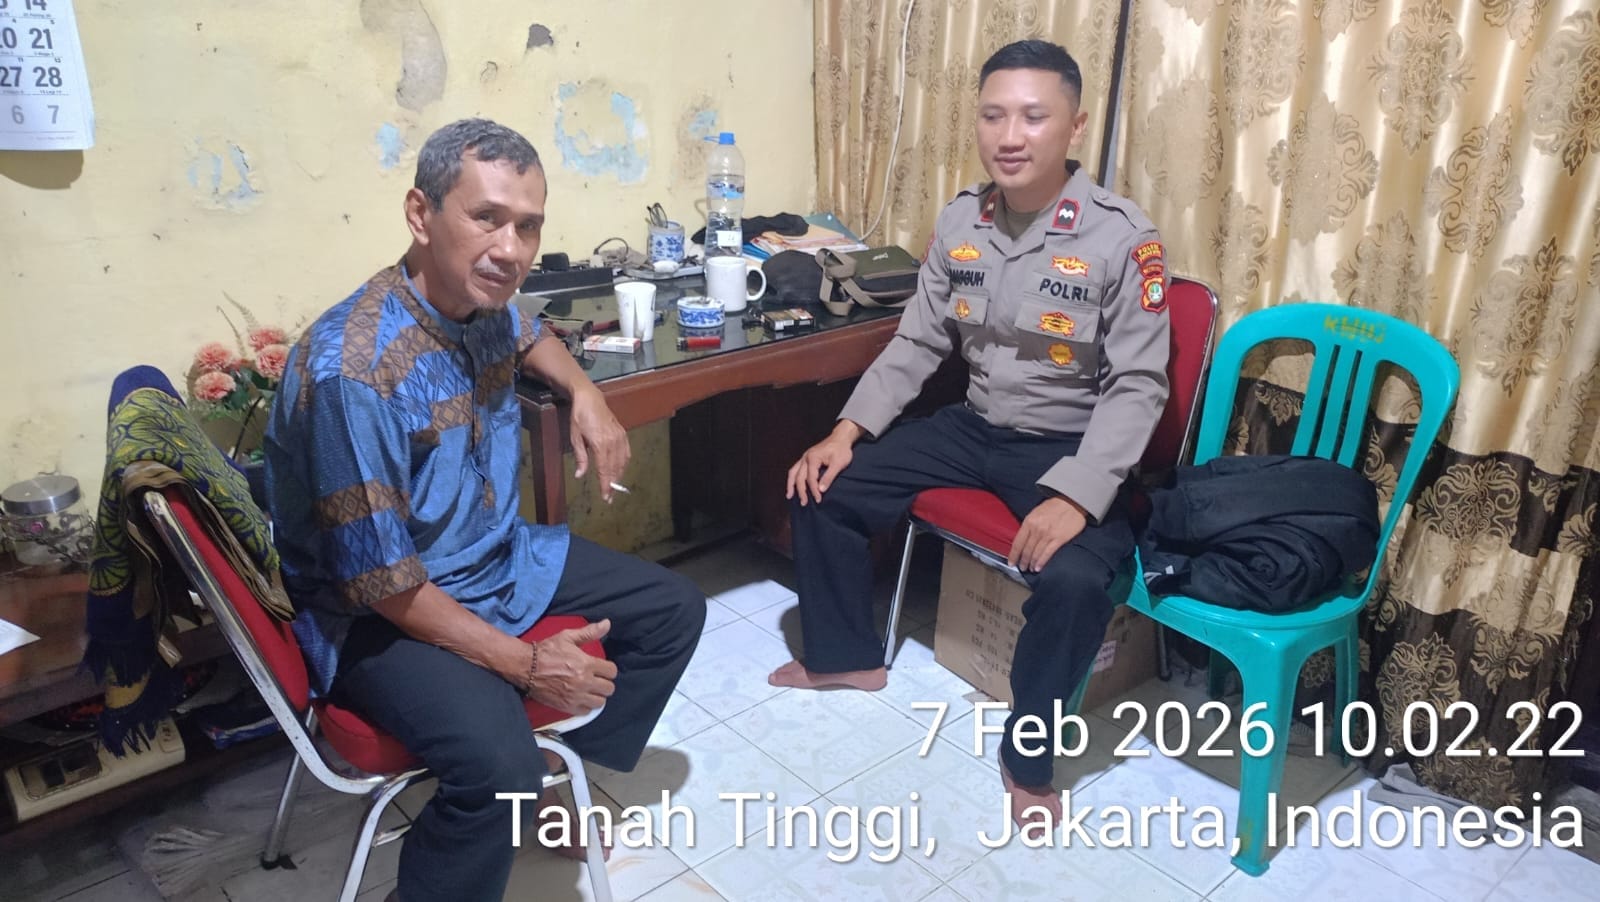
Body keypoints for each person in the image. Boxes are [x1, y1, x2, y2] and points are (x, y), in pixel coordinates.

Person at [264, 119, 706, 902]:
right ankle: (507, 802)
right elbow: (382, 584)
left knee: (674, 610)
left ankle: (551, 784)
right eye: (487, 218)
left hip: (489, 556)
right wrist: (527, 665)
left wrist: (585, 392)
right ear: (421, 214)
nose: (511, 249)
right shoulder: (353, 374)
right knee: (498, 767)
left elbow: (531, 332)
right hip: (378, 610)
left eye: (528, 226)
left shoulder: (483, 300)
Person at [769, 40, 1170, 827]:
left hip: (1068, 446)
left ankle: (1029, 762)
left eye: (1033, 117)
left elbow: (1138, 384)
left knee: (1077, 581)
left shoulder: (1123, 238)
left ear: (1075, 127)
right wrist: (845, 432)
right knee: (821, 484)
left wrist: (1078, 499)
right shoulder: (962, 220)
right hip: (974, 424)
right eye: (993, 116)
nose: (1009, 136)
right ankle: (847, 658)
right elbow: (918, 341)